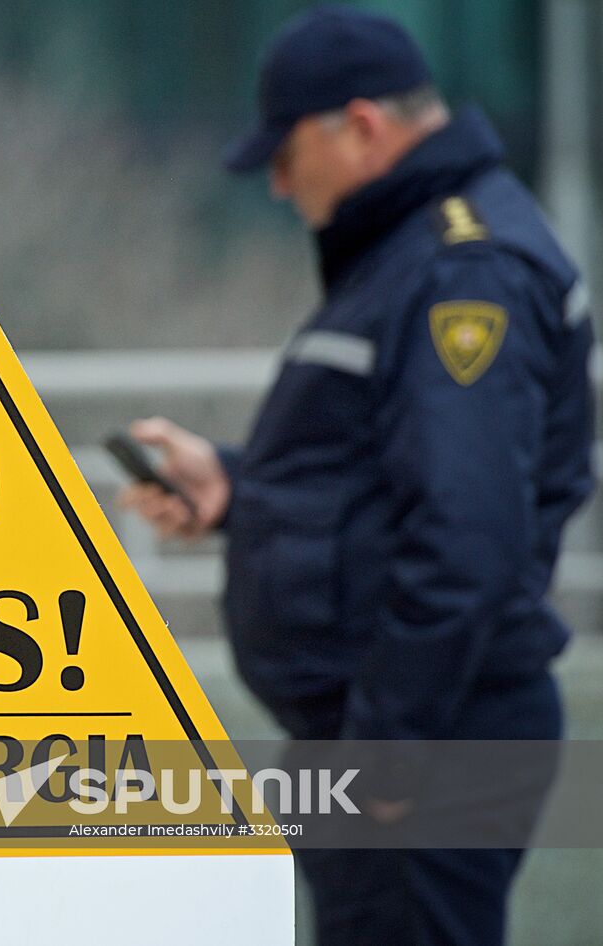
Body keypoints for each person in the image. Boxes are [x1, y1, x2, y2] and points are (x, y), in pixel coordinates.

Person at [121, 8, 594, 945]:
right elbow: (388, 480)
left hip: (425, 745)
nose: (280, 185)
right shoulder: (414, 255)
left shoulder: (464, 271)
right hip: (401, 737)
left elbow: (465, 536)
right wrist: (235, 489)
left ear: (363, 126)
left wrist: (383, 754)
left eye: (287, 156)